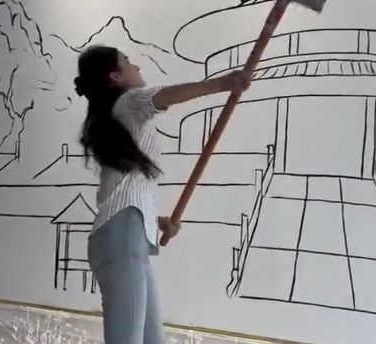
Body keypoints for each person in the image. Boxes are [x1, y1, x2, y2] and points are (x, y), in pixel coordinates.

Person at [74, 45, 252, 344]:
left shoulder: (118, 117)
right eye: (129, 63)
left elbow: (121, 192)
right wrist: (224, 83)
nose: (137, 67)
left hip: (126, 238)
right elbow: (164, 96)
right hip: (122, 241)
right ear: (116, 76)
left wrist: (155, 221)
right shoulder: (128, 101)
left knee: (152, 339)